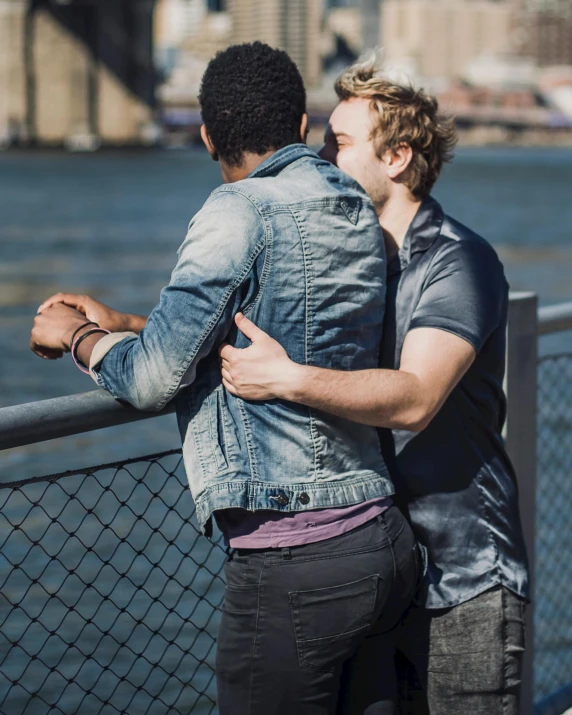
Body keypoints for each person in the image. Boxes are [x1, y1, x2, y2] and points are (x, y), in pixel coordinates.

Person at [30, 43, 419, 715]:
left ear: (207, 134)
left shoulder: (236, 211)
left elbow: (153, 379)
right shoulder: (354, 205)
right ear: (301, 124)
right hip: (379, 541)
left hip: (295, 562)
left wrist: (81, 338)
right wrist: (129, 320)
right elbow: (274, 324)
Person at [218, 55, 530, 715]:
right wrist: (126, 327)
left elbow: (416, 396)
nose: (321, 157)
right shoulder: (352, 260)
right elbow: (250, 329)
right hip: (387, 570)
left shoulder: (457, 260)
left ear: (396, 158)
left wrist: (288, 379)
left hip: (465, 583)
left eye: (339, 143)